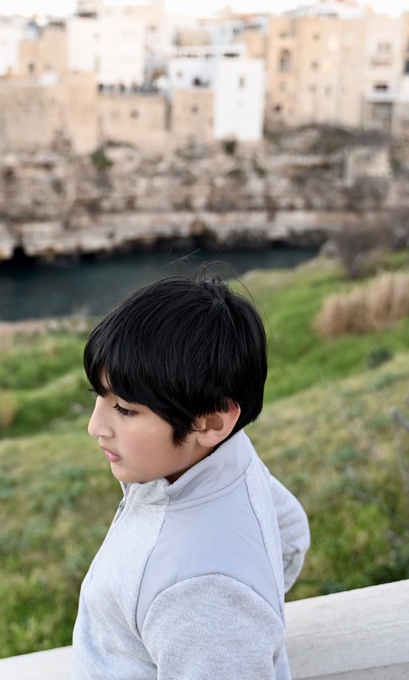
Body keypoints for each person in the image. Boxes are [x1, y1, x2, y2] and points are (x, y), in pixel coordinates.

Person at [72, 272, 311, 679]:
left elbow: (214, 617)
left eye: (125, 410)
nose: (96, 426)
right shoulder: (226, 458)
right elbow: (290, 530)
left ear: (212, 421)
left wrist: (229, 618)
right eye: (99, 396)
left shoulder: (202, 595)